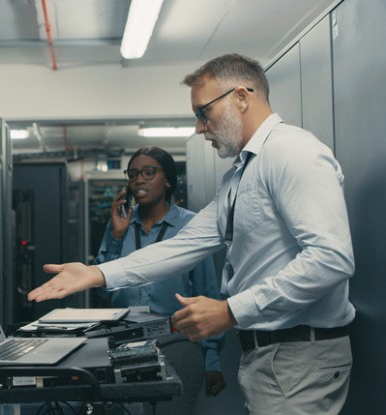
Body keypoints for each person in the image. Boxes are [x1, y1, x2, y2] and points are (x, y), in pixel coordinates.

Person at [28, 53, 354, 414]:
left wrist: (231, 310)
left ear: (241, 97)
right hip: (271, 355)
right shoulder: (241, 174)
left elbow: (331, 259)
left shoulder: (293, 152)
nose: (200, 128)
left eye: (204, 112)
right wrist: (98, 273)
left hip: (297, 354)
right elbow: (184, 244)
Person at [93, 145, 226, 413]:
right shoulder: (119, 224)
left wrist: (212, 360)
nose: (139, 179)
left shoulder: (192, 226)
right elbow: (103, 293)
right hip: (125, 342)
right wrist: (117, 238)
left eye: (148, 172)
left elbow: (207, 295)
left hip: (178, 343)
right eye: (132, 174)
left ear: (167, 180)